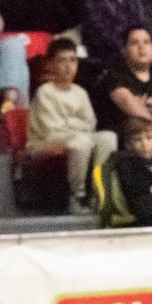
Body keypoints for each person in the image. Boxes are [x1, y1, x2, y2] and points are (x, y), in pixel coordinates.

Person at [27, 39, 115, 209]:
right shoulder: (45, 92)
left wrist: (69, 122)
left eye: (73, 60)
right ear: (51, 64)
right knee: (81, 142)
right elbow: (52, 127)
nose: (69, 66)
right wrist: (76, 123)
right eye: (62, 60)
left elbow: (90, 124)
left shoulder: (80, 92)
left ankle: (98, 192)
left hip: (75, 136)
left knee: (108, 137)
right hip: (44, 141)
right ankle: (76, 196)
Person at [102, 26, 152, 131]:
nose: (141, 47)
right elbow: (128, 103)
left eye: (146, 42)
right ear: (124, 50)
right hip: (129, 135)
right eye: (134, 43)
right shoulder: (115, 76)